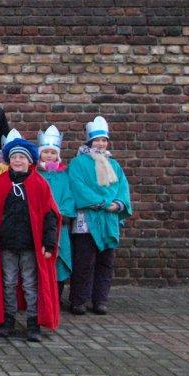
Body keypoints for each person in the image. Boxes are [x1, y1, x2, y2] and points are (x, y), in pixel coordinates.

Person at [0, 137, 61, 342]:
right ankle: (8, 320)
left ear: (30, 160)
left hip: (30, 246)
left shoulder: (39, 184)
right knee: (8, 283)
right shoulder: (1, 183)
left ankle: (33, 323)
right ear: (8, 160)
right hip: (6, 245)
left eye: (22, 157)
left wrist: (48, 243)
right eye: (14, 157)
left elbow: (50, 215)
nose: (17, 160)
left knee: (31, 284)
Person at [68, 116, 132, 316]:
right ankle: (78, 300)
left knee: (106, 262)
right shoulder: (78, 163)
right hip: (87, 219)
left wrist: (118, 204)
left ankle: (100, 300)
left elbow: (123, 187)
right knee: (84, 261)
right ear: (89, 141)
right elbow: (78, 187)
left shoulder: (115, 165)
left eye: (104, 140)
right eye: (97, 140)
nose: (101, 143)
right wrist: (103, 203)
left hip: (109, 219)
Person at [37, 125, 76, 301]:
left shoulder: (64, 175)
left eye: (53, 153)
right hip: (39, 225)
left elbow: (69, 197)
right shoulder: (35, 174)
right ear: (40, 154)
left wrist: (62, 214)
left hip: (60, 225)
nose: (49, 156)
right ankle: (40, 297)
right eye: (46, 152)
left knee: (59, 261)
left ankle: (56, 296)